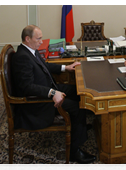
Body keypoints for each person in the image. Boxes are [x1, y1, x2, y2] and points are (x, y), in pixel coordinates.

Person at [11, 25, 96, 164]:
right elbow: (26, 87)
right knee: (77, 107)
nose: (41, 41)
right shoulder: (22, 58)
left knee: (79, 92)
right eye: (38, 38)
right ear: (27, 39)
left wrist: (65, 68)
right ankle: (74, 152)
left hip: (48, 90)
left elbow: (44, 66)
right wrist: (52, 92)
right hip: (39, 101)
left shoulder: (30, 50)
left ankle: (78, 126)